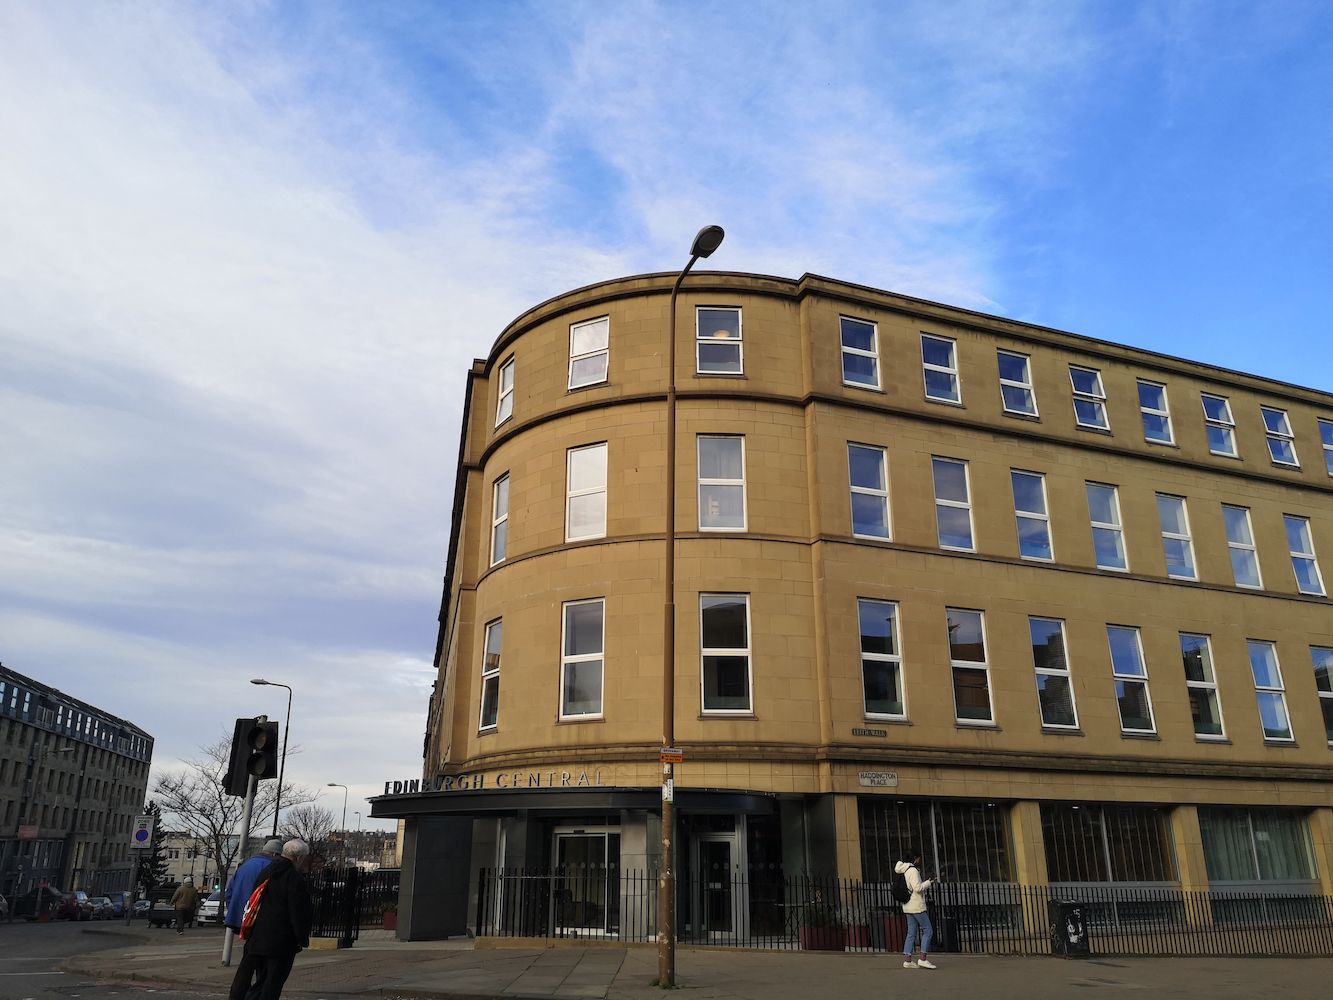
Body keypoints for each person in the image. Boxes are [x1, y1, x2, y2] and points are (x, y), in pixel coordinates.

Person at [228, 839, 314, 1000]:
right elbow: (298, 910)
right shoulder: (294, 878)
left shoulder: (266, 871)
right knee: (272, 982)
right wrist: (301, 938)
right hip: (281, 940)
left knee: (258, 980)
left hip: (257, 935)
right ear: (299, 857)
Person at [226, 839, 283, 932]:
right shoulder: (271, 867)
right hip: (258, 919)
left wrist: (234, 910)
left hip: (238, 917)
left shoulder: (245, 865)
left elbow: (229, 892)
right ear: (275, 854)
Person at [895, 848, 937, 970]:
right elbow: (918, 888)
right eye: (919, 858)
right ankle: (923, 958)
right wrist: (929, 883)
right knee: (928, 930)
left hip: (907, 905)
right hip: (916, 906)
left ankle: (908, 960)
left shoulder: (902, 870)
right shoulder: (913, 870)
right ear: (916, 858)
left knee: (911, 932)